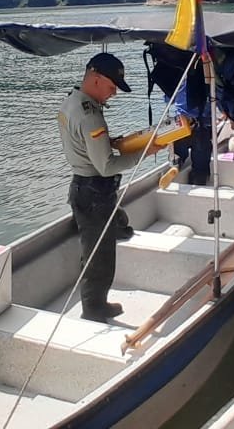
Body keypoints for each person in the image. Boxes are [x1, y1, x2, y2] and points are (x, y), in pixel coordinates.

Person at [57, 52, 160, 323]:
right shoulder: (91, 116)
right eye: (112, 87)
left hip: (83, 188)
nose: (114, 93)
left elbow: (84, 144)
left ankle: (119, 228)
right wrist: (145, 152)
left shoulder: (73, 101)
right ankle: (94, 308)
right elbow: (106, 166)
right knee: (99, 258)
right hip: (94, 193)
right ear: (95, 78)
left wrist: (112, 142)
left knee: (114, 229)